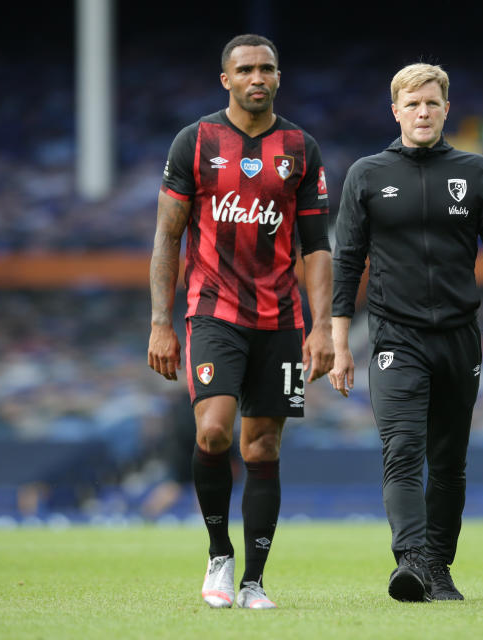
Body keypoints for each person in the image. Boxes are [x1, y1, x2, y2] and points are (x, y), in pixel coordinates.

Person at [147, 34, 334, 610]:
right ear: (225, 79)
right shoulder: (195, 142)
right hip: (213, 313)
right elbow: (168, 236)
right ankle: (218, 555)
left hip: (281, 318)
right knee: (213, 432)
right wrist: (160, 321)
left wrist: (322, 327)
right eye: (247, 69)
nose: (259, 77)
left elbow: (316, 247)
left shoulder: (301, 148)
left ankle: (254, 581)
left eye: (268, 69)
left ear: (279, 77)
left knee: (263, 446)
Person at [329, 63, 483, 602]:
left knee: (449, 460)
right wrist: (339, 340)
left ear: (445, 109)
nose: (422, 112)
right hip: (395, 337)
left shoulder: (476, 172)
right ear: (395, 111)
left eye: (431, 104)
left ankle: (438, 566)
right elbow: (346, 262)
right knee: (402, 447)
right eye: (412, 104)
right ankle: (411, 559)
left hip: (460, 337)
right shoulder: (367, 174)